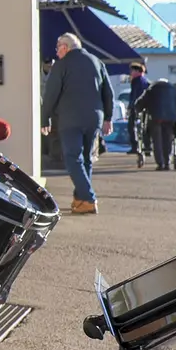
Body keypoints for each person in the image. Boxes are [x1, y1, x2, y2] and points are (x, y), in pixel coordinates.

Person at [40, 33, 115, 214]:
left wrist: (45, 118)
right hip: (94, 119)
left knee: (73, 158)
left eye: (58, 48)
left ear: (65, 47)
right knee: (86, 159)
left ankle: (89, 198)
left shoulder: (62, 65)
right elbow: (108, 93)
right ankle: (80, 199)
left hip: (70, 119)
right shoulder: (97, 62)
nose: (57, 53)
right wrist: (108, 118)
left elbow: (50, 94)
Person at [137, 76, 176, 171]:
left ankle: (160, 163)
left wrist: (140, 109)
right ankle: (167, 162)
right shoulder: (173, 90)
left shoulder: (151, 89)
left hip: (155, 118)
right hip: (170, 119)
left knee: (157, 140)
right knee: (168, 140)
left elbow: (139, 104)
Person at [125, 63, 150, 166]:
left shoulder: (137, 81)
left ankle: (135, 147)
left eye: (133, 71)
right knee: (144, 127)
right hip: (144, 107)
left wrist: (131, 106)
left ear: (138, 71)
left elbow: (136, 96)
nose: (131, 73)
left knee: (132, 127)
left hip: (137, 107)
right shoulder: (145, 81)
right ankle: (146, 146)